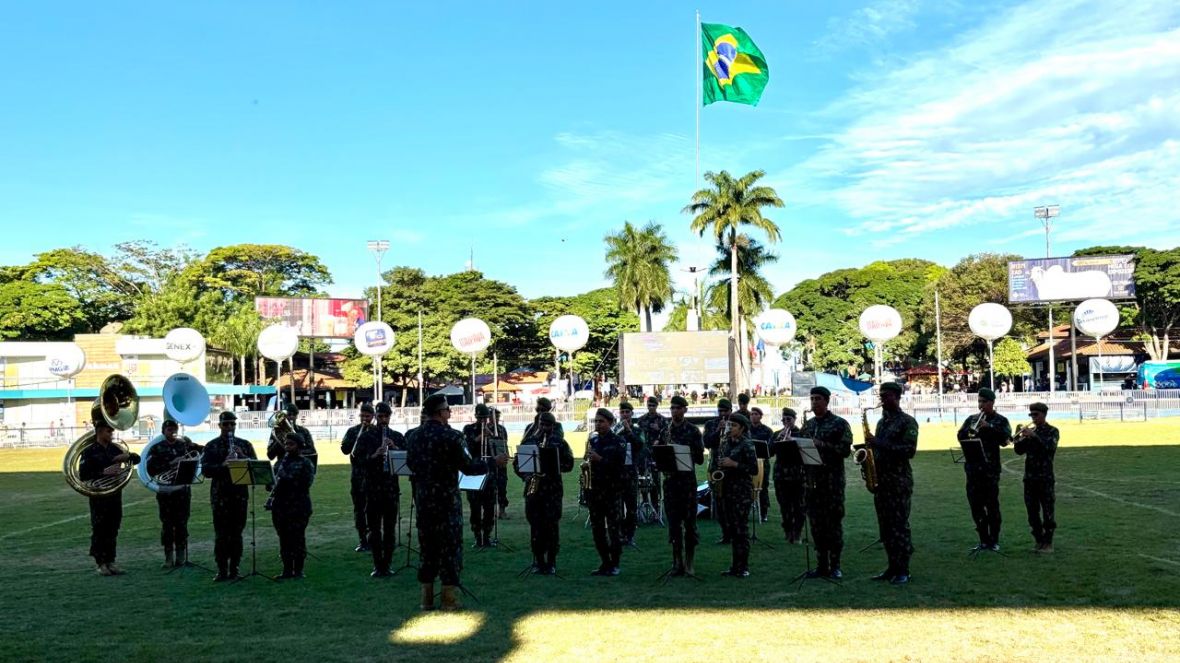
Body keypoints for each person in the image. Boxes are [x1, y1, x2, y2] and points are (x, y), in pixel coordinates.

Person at [406, 394, 472, 611]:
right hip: (446, 501)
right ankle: (448, 599)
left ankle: (426, 598)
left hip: (424, 500)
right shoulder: (452, 436)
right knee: (450, 547)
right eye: (447, 409)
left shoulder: (414, 436)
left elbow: (410, 464)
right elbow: (468, 467)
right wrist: (492, 463)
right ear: (439, 411)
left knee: (427, 546)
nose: (450, 412)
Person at [863, 382, 919, 584]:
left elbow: (909, 451)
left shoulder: (907, 422)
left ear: (896, 397)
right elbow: (880, 450)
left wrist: (879, 443)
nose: (882, 400)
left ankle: (903, 569)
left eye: (886, 396)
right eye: (881, 396)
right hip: (882, 481)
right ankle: (891, 567)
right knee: (885, 527)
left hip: (898, 481)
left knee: (899, 526)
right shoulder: (881, 423)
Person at [79, 405, 140, 576]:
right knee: (100, 529)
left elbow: (137, 459)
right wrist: (103, 472)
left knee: (113, 528)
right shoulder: (89, 451)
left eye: (111, 431)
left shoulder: (115, 448)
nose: (111, 434)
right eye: (108, 431)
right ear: (99, 431)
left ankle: (111, 561)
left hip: (114, 494)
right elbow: (83, 475)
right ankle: (100, 563)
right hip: (99, 496)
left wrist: (128, 457)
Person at [799, 386, 853, 579]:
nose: (814, 402)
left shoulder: (840, 424)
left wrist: (823, 445)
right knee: (816, 525)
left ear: (827, 401)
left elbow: (845, 451)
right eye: (812, 398)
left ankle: (835, 565)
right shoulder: (808, 425)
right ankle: (821, 565)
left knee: (833, 525)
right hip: (813, 481)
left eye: (818, 399)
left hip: (832, 482)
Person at [200, 411, 257, 581]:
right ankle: (222, 568)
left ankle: (235, 567)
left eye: (233, 424)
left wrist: (243, 456)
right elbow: (206, 470)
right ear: (220, 426)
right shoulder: (211, 445)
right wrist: (224, 464)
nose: (230, 427)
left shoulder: (245, 444)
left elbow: (256, 466)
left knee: (237, 533)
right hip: (221, 496)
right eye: (226, 424)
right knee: (221, 534)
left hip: (239, 495)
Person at [515, 411, 574, 574]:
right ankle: (538, 561)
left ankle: (552, 562)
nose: (543, 428)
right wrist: (526, 475)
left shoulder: (560, 443)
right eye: (541, 424)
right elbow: (517, 464)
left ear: (552, 426)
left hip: (552, 491)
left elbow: (569, 465)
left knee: (552, 527)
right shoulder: (529, 441)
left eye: (547, 425)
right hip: (534, 490)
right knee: (535, 526)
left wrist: (554, 466)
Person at [652, 395, 704, 576]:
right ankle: (677, 563)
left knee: (689, 523)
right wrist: (658, 448)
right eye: (672, 408)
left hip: (687, 483)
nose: (674, 411)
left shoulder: (693, 431)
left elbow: (699, 459)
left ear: (685, 410)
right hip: (671, 482)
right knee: (673, 524)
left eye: (678, 408)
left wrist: (684, 450)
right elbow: (657, 457)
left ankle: (689, 562)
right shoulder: (665, 430)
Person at [957, 387, 1011, 552]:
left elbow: (1006, 440)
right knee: (976, 506)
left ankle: (994, 540)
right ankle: (983, 539)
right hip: (973, 469)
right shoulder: (972, 418)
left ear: (992, 403)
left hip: (990, 470)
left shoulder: (1001, 420)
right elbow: (960, 436)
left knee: (992, 505)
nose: (981, 405)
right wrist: (970, 430)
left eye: (984, 402)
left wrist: (989, 427)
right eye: (979, 401)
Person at [354, 402, 405, 577]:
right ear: (376, 416)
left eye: (386, 417)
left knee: (390, 528)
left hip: (391, 488)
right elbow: (358, 461)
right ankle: (377, 565)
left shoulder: (397, 436)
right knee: (374, 529)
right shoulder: (367, 437)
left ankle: (387, 563)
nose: (383, 420)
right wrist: (375, 455)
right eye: (381, 416)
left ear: (390, 417)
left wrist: (395, 449)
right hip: (373, 488)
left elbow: (408, 459)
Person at [145, 418, 201, 567]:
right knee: (167, 524)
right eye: (169, 430)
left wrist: (192, 446)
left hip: (182, 490)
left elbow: (200, 453)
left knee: (182, 523)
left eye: (174, 429)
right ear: (163, 431)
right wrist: (171, 463)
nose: (172, 432)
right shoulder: (156, 448)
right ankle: (168, 557)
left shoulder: (184, 446)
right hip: (166, 492)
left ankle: (181, 556)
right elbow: (150, 469)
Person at [714, 413, 759, 577]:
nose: (730, 427)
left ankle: (743, 567)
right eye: (729, 425)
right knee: (733, 529)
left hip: (741, 492)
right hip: (728, 489)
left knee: (741, 530)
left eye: (733, 425)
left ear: (742, 428)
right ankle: (735, 566)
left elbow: (754, 469)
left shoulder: (747, 444)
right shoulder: (726, 443)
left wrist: (734, 464)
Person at [585, 408, 627, 576]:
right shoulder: (593, 441)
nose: (598, 424)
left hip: (612, 491)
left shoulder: (619, 441)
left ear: (610, 423)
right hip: (595, 491)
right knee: (597, 530)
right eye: (596, 421)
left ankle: (615, 563)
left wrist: (599, 459)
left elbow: (619, 466)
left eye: (601, 421)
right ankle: (605, 562)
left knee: (614, 529)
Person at [268, 433, 315, 579]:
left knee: (298, 538)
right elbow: (270, 486)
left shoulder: (305, 463)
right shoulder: (280, 462)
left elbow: (305, 484)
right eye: (286, 444)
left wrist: (285, 476)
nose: (288, 447)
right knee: (284, 538)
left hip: (298, 506)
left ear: (299, 446)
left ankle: (299, 570)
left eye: (291, 444)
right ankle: (287, 570)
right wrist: (270, 482)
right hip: (280, 506)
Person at [1014, 402, 1060, 553]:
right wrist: (1018, 437)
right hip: (1030, 478)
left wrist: (1034, 436)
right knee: (1032, 513)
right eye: (1031, 415)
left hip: (1045, 478)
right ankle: (1039, 540)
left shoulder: (1052, 431)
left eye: (1036, 415)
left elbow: (1049, 448)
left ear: (1044, 415)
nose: (1033, 418)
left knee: (1048, 512)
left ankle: (1048, 542)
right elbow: (1019, 451)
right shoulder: (1030, 432)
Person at [461, 405, 509, 548]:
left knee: (489, 507)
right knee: (475, 507)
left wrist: (493, 437)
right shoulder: (468, 429)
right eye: (480, 417)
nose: (483, 420)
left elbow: (501, 449)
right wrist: (480, 437)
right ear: (476, 416)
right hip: (473, 472)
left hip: (490, 473)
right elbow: (466, 447)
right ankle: (477, 536)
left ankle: (487, 536)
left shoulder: (495, 430)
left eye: (485, 418)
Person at [339, 403, 375, 552]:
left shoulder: (375, 432)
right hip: (357, 477)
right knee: (359, 509)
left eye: (368, 416)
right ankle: (362, 540)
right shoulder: (352, 431)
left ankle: (373, 538)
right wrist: (357, 438)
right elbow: (345, 450)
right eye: (362, 416)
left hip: (373, 477)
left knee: (373, 509)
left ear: (372, 417)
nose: (365, 419)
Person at [772, 407, 805, 544]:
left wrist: (793, 440)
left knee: (799, 506)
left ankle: (797, 532)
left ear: (794, 419)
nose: (786, 422)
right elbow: (769, 451)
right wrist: (778, 440)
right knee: (784, 505)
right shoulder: (777, 434)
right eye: (784, 419)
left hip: (797, 475)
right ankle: (788, 531)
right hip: (780, 475)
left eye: (789, 419)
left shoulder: (801, 433)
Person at [703, 398, 733, 543]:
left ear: (730, 411)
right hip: (717, 467)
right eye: (720, 410)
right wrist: (718, 430)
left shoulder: (737, 424)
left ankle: (735, 532)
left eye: (725, 411)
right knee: (719, 503)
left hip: (732, 468)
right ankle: (725, 534)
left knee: (732, 503)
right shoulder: (711, 424)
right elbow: (707, 443)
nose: (722, 413)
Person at [616, 401, 646, 545]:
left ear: (632, 414)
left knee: (631, 506)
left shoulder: (637, 430)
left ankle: (630, 534)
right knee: (618, 506)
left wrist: (629, 430)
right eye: (622, 412)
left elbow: (640, 445)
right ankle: (620, 534)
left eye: (627, 412)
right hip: (616, 473)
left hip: (630, 473)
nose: (625, 414)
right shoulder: (615, 429)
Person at [635, 396, 667, 515]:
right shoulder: (641, 420)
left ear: (657, 406)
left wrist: (659, 430)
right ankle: (645, 505)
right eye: (649, 405)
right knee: (643, 481)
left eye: (653, 405)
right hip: (643, 456)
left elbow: (667, 437)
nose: (651, 408)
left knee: (655, 482)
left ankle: (656, 509)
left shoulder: (663, 420)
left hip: (656, 456)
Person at [268, 403, 317, 470]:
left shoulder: (304, 432)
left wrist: (296, 449)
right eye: (288, 414)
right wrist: (278, 441)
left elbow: (312, 451)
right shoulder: (277, 433)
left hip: (300, 467)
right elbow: (270, 456)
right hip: (282, 467)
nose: (291, 417)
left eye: (294, 414)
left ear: (297, 416)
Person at [748, 407, 774, 522]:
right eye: (752, 414)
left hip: (762, 463)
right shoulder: (746, 430)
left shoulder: (767, 431)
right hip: (748, 463)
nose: (753, 416)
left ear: (760, 416)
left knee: (763, 488)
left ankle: (764, 513)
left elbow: (771, 450)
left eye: (756, 414)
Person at [491, 408, 511, 520]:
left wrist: (506, 455)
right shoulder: (486, 429)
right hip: (491, 462)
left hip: (502, 462)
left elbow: (505, 444)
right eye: (494, 417)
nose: (496, 419)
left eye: (497, 417)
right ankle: (493, 511)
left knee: (502, 487)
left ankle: (502, 511)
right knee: (491, 488)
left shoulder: (502, 429)